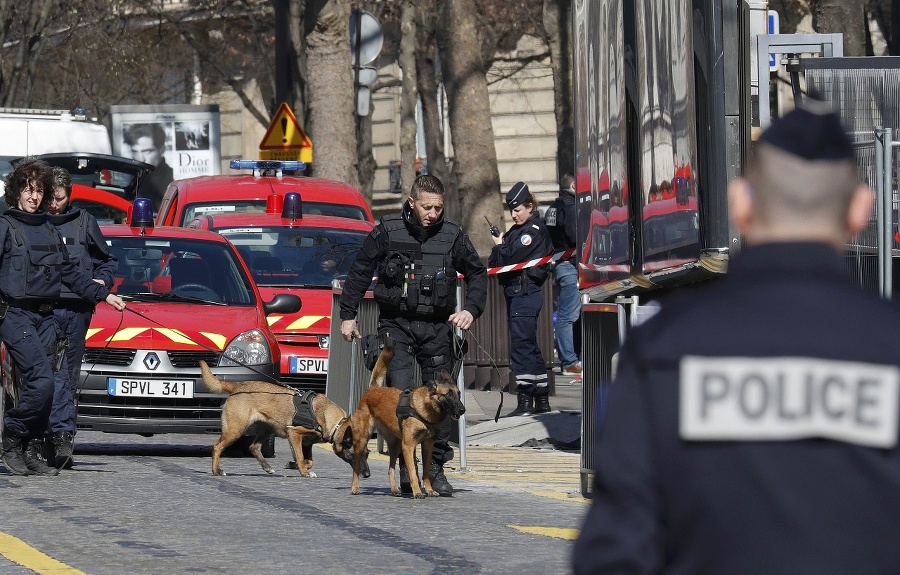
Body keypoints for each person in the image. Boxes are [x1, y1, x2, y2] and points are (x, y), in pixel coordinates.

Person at [572, 103, 900, 574]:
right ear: (861, 209)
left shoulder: (665, 348)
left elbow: (615, 553)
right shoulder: (890, 350)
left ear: (742, 204)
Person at [338, 174, 487, 496]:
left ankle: (435, 469)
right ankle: (408, 472)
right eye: (427, 207)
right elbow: (361, 270)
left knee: (444, 403)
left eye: (438, 207)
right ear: (412, 202)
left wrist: (470, 310)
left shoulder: (453, 235)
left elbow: (477, 272)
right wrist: (347, 316)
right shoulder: (388, 231)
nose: (433, 213)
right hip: (397, 325)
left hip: (436, 327)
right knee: (403, 399)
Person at [0, 159, 126, 476]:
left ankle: (30, 450)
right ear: (16, 191)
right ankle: (12, 436)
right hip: (16, 316)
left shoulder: (47, 228)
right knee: (43, 381)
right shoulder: (5, 226)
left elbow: (70, 272)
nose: (34, 196)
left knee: (47, 387)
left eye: (39, 190)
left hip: (47, 318)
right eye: (28, 190)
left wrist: (104, 293)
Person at [45, 167, 119, 469]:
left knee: (66, 374)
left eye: (58, 199)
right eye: (49, 197)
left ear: (68, 196)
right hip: (43, 308)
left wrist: (103, 280)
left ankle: (61, 436)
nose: (52, 204)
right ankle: (42, 434)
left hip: (77, 309)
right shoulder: (33, 221)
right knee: (45, 374)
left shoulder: (84, 222)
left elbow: (107, 260)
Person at [489, 182, 553, 416]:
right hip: (518, 292)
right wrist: (501, 247)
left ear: (529, 206)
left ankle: (526, 398)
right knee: (529, 345)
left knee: (521, 346)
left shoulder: (532, 231)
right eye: (512, 211)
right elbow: (498, 261)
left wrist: (498, 246)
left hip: (524, 292)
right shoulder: (519, 231)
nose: (514, 215)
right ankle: (541, 396)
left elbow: (505, 258)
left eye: (518, 210)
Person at [544, 173, 582, 379]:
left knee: (570, 315)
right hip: (570, 265)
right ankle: (569, 361)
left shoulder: (553, 207)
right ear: (575, 185)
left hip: (561, 265)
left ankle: (573, 358)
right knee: (568, 316)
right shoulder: (570, 207)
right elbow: (574, 235)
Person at [125, 123, 174, 212]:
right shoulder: (133, 177)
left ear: (162, 150)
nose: (140, 158)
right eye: (135, 151)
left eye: (147, 151)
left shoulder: (168, 182)